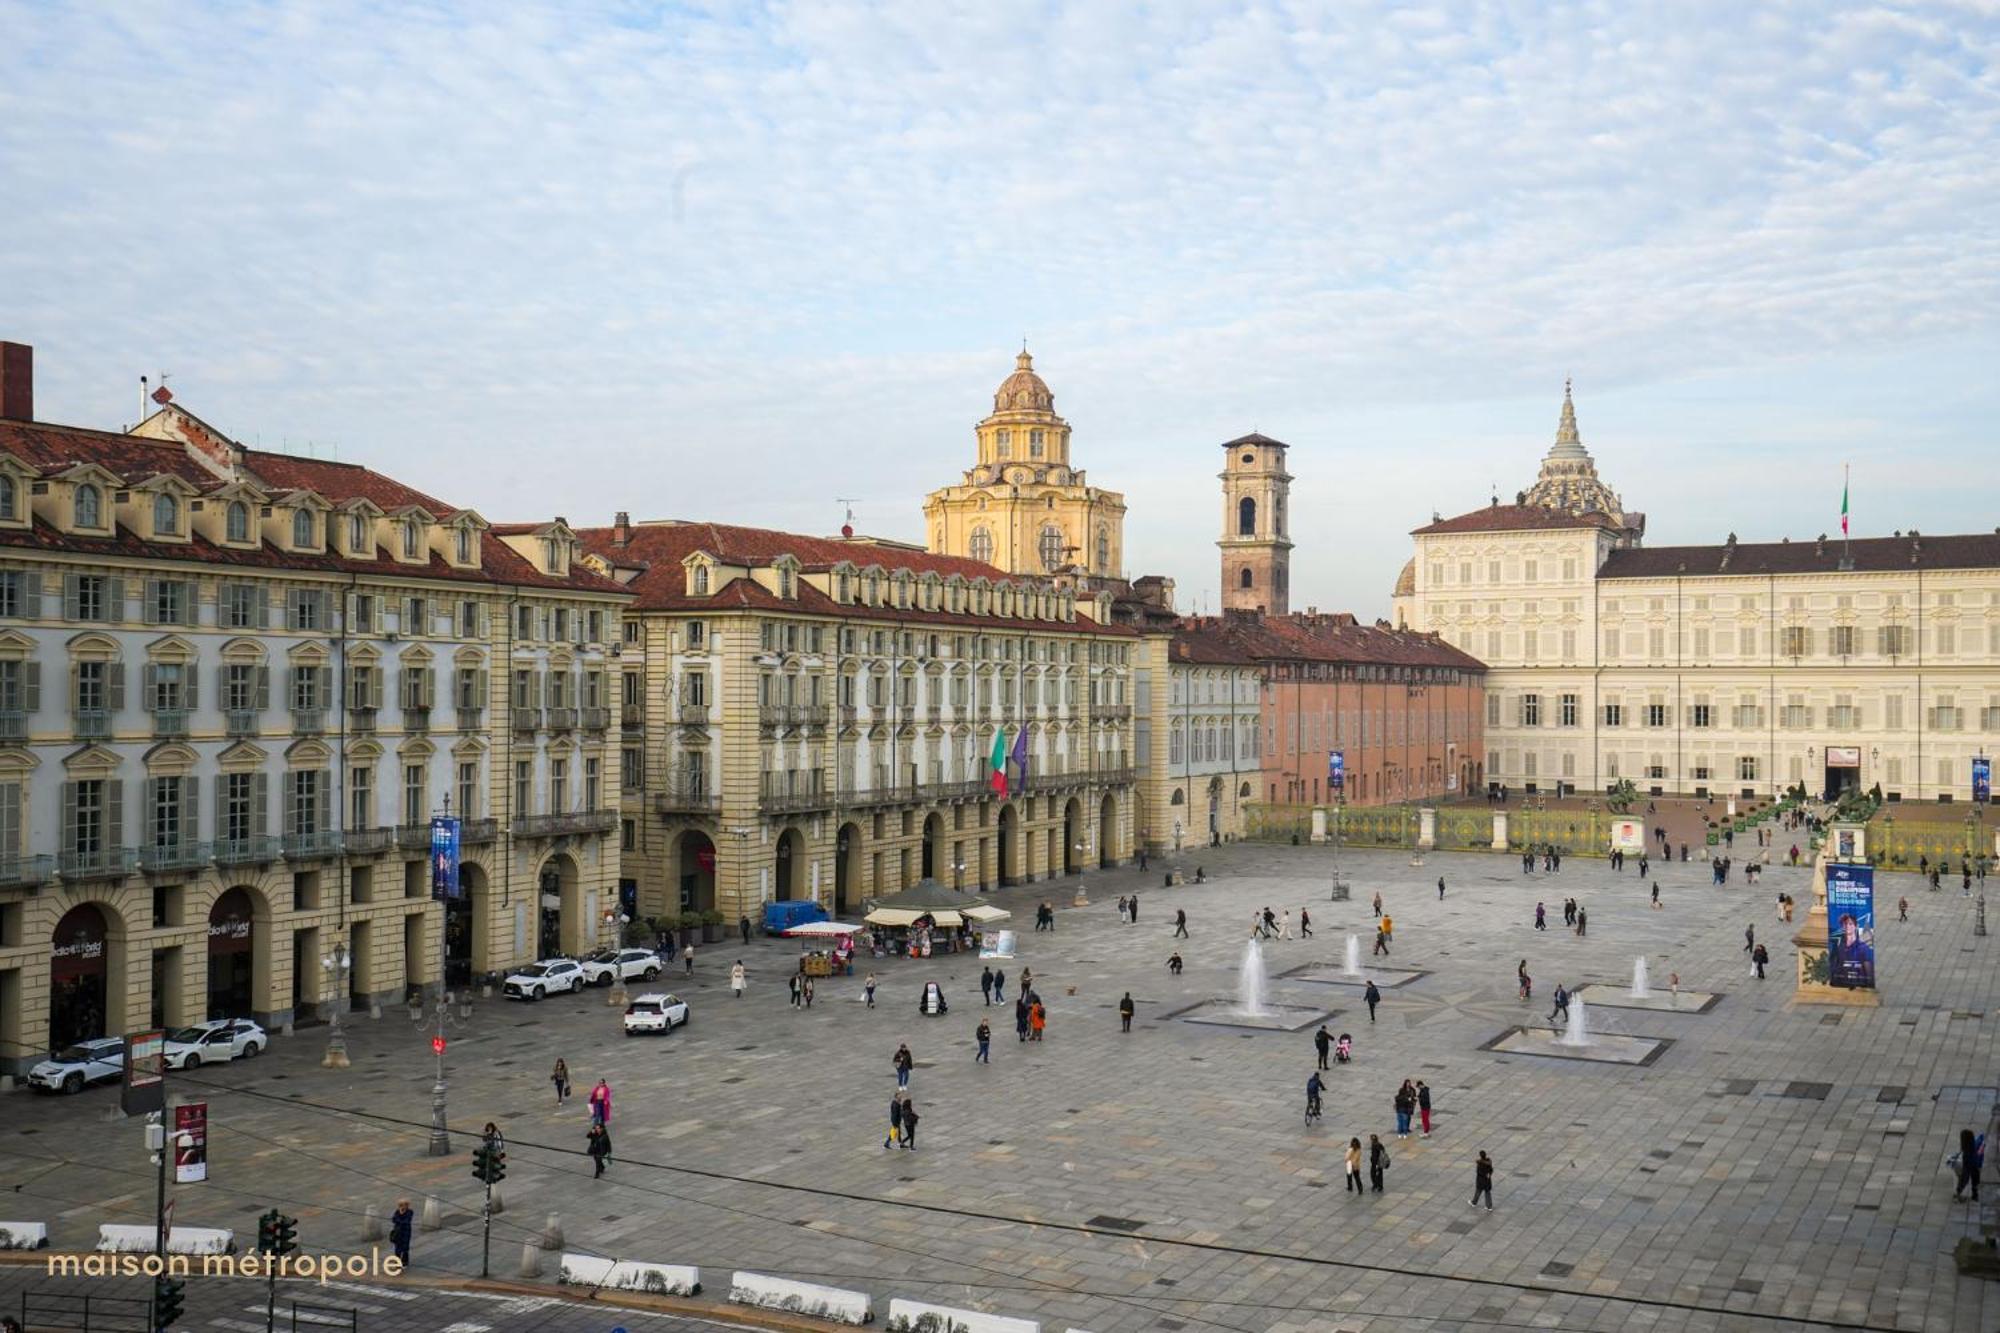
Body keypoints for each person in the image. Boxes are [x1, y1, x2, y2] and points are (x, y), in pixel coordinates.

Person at [1955, 1128, 1985, 1201]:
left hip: (1968, 1166)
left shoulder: (1965, 1149)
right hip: (1974, 1165)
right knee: (1974, 1180)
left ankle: (1959, 1193)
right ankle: (1974, 1194)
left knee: (1964, 1180)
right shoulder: (1974, 1145)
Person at [389, 1198, 414, 1266]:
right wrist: (399, 1220)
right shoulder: (397, 1211)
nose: (401, 1207)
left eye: (403, 1205)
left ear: (406, 1205)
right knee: (397, 1248)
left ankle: (405, 1262)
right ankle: (397, 1261)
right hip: (398, 1232)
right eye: (400, 1205)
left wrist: (399, 1220)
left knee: (405, 1247)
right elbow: (393, 1219)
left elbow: (407, 1221)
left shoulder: (410, 1211)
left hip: (406, 1232)